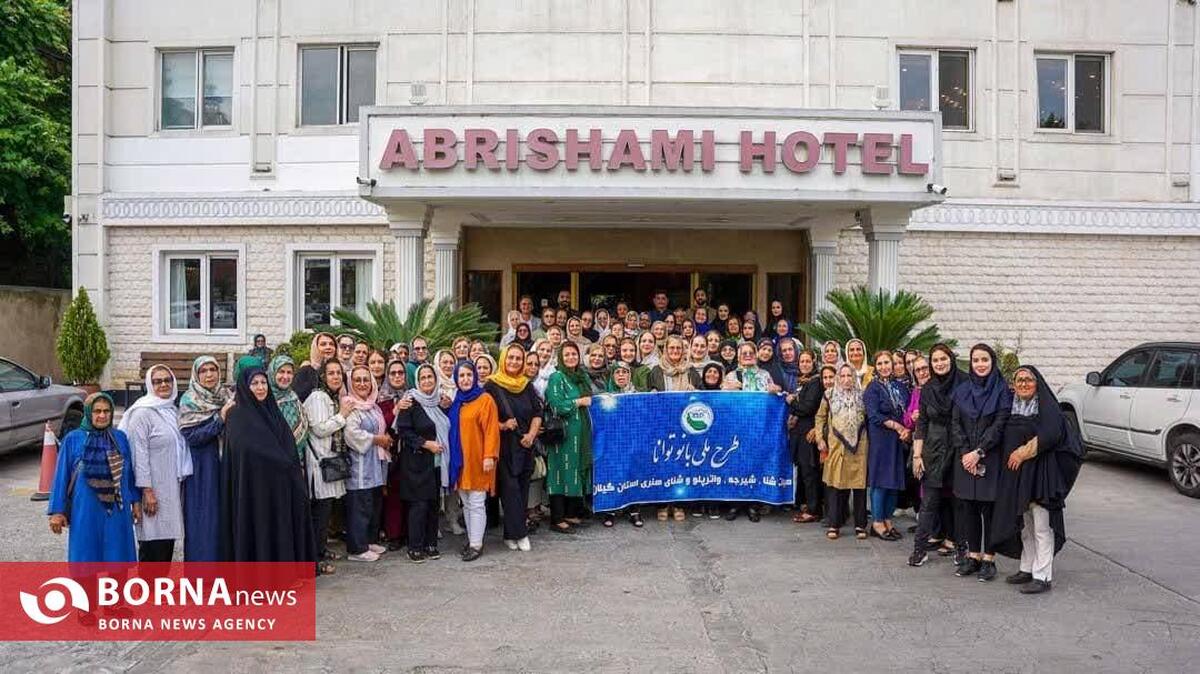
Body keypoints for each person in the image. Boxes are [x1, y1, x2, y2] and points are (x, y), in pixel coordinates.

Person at [991, 366, 1083, 594]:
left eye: (1028, 380)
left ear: (1037, 382)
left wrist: (1022, 452)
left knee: (1042, 527)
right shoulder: (1012, 407)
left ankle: (1043, 576)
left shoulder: (1048, 407)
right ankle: (1026, 568)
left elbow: (1051, 434)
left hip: (1041, 475)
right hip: (1019, 477)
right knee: (1026, 526)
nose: (1023, 384)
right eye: (1019, 380)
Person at [224, 365, 315, 563]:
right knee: (259, 531)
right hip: (254, 490)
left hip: (279, 486)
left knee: (280, 529)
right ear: (245, 387)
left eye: (263, 382)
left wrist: (288, 466)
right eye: (254, 383)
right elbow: (245, 450)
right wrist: (280, 460)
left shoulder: (273, 411)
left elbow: (288, 444)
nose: (260, 388)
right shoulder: (237, 416)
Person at [48, 393, 141, 562]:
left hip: (116, 511)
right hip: (85, 510)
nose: (102, 415)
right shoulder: (73, 439)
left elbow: (128, 473)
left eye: (106, 411)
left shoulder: (120, 438)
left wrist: (135, 501)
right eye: (97, 411)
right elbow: (61, 476)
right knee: (86, 560)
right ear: (88, 412)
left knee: (117, 560)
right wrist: (57, 511)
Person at [950, 343, 1012, 581]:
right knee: (969, 510)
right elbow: (955, 424)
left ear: (992, 362)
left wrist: (979, 452)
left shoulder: (1001, 390)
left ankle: (989, 559)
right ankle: (973, 556)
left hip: (990, 458)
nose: (980, 364)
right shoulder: (962, 390)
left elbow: (1000, 425)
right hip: (965, 459)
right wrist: (966, 452)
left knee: (989, 510)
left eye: (984, 360)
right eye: (976, 360)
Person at [121, 365, 190, 562]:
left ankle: (159, 589)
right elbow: (137, 454)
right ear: (149, 385)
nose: (163, 384)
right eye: (157, 381)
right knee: (152, 545)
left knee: (166, 542)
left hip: (170, 486)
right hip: (153, 489)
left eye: (167, 380)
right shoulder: (142, 413)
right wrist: (146, 491)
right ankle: (149, 590)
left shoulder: (171, 410)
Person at [485, 345, 543, 552]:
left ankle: (511, 534)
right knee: (510, 492)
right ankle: (520, 533)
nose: (515, 362)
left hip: (525, 445)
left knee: (523, 489)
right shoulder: (491, 385)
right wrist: (503, 425)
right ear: (503, 359)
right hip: (504, 447)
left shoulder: (526, 385)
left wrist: (531, 435)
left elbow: (538, 412)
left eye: (519, 358)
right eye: (511, 358)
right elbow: (484, 418)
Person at [909, 347, 962, 566]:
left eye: (943, 359)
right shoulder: (928, 388)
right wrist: (917, 455)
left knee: (960, 504)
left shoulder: (964, 383)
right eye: (936, 360)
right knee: (928, 503)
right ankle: (919, 550)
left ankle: (963, 549)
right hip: (933, 450)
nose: (939, 363)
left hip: (959, 448)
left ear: (951, 359)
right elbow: (922, 423)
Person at [178, 356, 232, 561]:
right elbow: (193, 437)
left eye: (213, 369)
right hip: (202, 468)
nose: (209, 374)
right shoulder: (190, 400)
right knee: (203, 519)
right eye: (203, 370)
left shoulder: (226, 396)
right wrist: (220, 419)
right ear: (196, 374)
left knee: (224, 517)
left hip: (225, 464)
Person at [395, 364, 449, 562]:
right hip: (417, 462)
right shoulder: (410, 402)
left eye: (430, 377)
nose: (427, 381)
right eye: (423, 377)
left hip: (436, 462)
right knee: (419, 505)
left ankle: (431, 543)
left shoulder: (439, 402)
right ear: (417, 380)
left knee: (434, 504)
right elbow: (404, 431)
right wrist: (426, 444)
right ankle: (415, 546)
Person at [447, 361, 500, 561]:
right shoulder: (458, 401)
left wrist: (489, 456)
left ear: (475, 377)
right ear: (456, 379)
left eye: (469, 375)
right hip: (461, 461)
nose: (466, 379)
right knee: (467, 503)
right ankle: (472, 540)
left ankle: (477, 545)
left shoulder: (485, 399)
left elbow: (491, 431)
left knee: (477, 502)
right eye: (461, 376)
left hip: (479, 460)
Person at [302, 358, 352, 575]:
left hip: (329, 461)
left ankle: (321, 550)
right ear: (323, 376)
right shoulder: (317, 398)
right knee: (319, 515)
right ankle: (314, 559)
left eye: (339, 373)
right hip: (320, 464)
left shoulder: (331, 397)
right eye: (331, 373)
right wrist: (342, 416)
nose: (335, 377)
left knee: (325, 511)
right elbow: (320, 429)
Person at [544, 342, 593, 534]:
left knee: (575, 471)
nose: (571, 357)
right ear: (561, 358)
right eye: (567, 354)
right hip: (562, 436)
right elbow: (555, 405)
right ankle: (557, 518)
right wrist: (578, 402)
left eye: (574, 353)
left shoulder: (580, 376)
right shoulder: (557, 376)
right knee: (560, 473)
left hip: (579, 435)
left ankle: (571, 513)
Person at [816, 364, 870, 540]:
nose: (846, 379)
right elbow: (820, 417)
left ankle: (860, 525)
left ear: (854, 377)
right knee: (835, 486)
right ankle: (834, 524)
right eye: (843, 375)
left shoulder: (862, 396)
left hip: (859, 445)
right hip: (836, 446)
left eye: (850, 375)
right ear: (838, 377)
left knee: (859, 486)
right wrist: (820, 438)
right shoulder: (829, 395)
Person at [342, 365, 390, 562]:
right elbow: (351, 435)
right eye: (358, 380)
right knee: (359, 506)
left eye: (366, 380)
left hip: (374, 463)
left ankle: (368, 541)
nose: (362, 384)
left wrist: (383, 437)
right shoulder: (350, 406)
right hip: (359, 465)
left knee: (371, 504)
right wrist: (377, 439)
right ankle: (357, 549)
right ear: (351, 383)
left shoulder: (372, 405)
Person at [863, 351, 911, 541]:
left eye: (887, 363)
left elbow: (907, 410)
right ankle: (876, 522)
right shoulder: (872, 388)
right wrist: (897, 426)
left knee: (894, 483)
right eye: (880, 363)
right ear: (876, 366)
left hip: (898, 440)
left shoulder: (899, 386)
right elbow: (874, 416)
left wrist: (907, 429)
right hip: (881, 440)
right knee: (880, 482)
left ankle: (888, 520)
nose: (884, 367)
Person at [378, 360, 412, 551]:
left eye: (401, 373)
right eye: (393, 373)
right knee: (392, 497)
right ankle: (394, 535)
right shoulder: (382, 400)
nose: (397, 376)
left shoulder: (413, 396)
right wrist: (395, 410)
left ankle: (408, 532)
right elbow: (382, 424)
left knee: (408, 493)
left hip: (409, 452)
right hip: (390, 453)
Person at [787, 350, 824, 524]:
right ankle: (805, 504)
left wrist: (791, 402)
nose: (804, 364)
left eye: (808, 361)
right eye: (802, 361)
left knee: (810, 471)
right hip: (799, 433)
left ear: (814, 362)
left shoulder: (815, 382)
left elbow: (807, 408)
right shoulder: (802, 381)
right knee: (803, 469)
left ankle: (813, 509)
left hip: (808, 434)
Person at [269, 355, 310, 463]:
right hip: (269, 462)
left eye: (289, 372)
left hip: (295, 461)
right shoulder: (264, 399)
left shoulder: (294, 398)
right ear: (272, 373)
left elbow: (303, 429)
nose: (285, 376)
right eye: (281, 371)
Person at [295, 332, 337, 401]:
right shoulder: (306, 370)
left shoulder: (339, 372)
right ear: (316, 348)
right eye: (323, 344)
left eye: (331, 344)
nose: (328, 347)